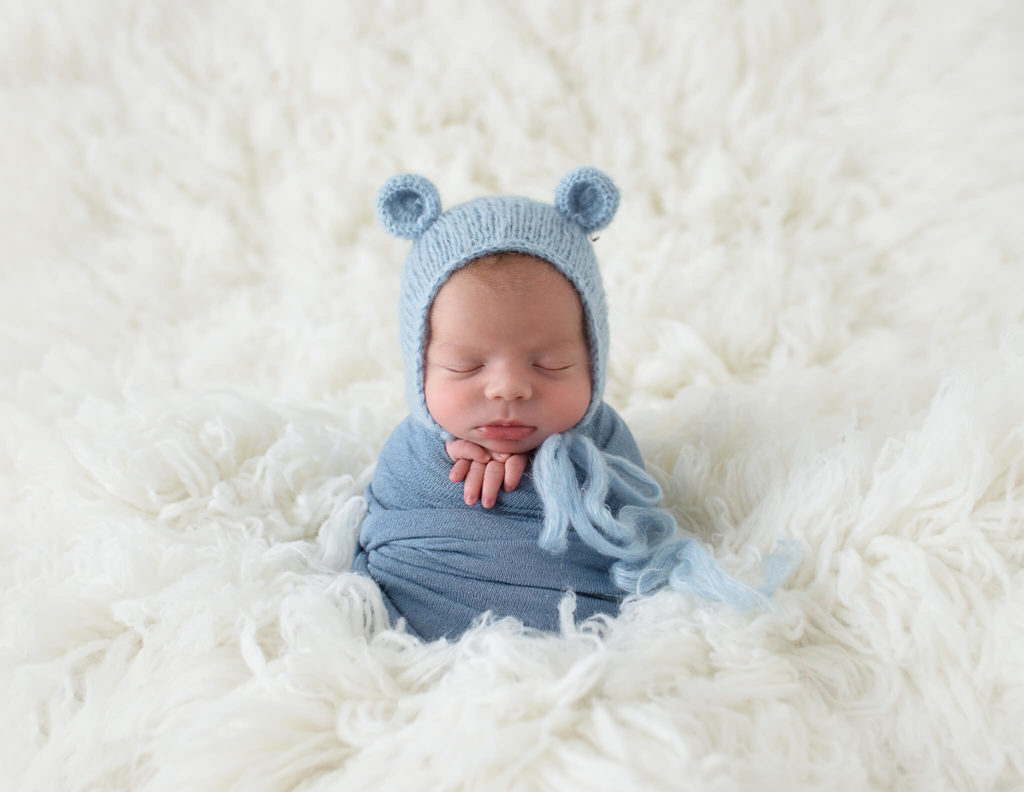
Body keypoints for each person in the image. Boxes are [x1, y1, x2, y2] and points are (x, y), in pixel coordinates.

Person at [352, 168, 793, 641]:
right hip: (416, 641)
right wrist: (442, 469)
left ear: (594, 361)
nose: (508, 390)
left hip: (581, 646)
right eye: (465, 366)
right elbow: (383, 528)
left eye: (551, 364)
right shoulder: (410, 454)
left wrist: (562, 473)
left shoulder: (605, 442)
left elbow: (633, 530)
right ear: (418, 366)